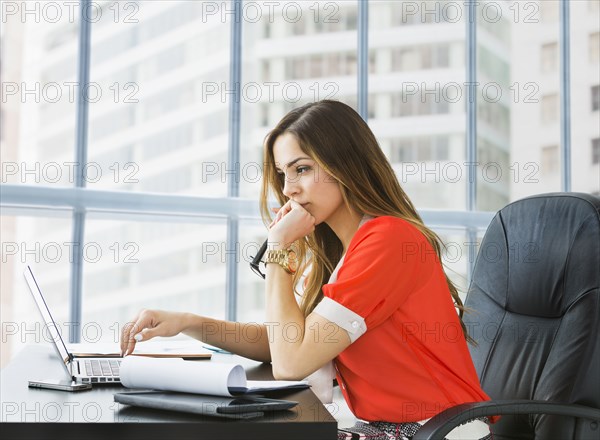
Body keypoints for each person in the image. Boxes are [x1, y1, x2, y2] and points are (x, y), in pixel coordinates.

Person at [120, 100, 493, 440]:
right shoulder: (352, 249)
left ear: (345, 165)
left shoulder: (388, 241)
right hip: (389, 430)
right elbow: (290, 343)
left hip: (438, 431)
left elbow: (290, 363)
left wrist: (279, 250)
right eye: (283, 174)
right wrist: (188, 322)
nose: (289, 190)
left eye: (302, 169)